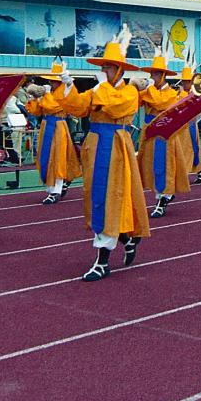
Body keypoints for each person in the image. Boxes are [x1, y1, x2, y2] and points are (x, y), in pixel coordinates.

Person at [57, 27, 151, 281]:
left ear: (119, 69)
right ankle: (127, 238)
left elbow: (116, 106)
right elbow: (78, 108)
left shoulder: (129, 91)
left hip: (115, 145)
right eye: (104, 67)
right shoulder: (100, 90)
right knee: (96, 196)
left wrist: (98, 93)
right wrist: (68, 87)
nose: (105, 71)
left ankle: (102, 261)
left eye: (109, 67)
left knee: (111, 196)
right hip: (96, 145)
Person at [133, 52, 186, 218]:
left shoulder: (171, 93)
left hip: (164, 131)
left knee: (163, 163)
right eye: (152, 73)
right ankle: (164, 194)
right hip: (149, 131)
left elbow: (160, 102)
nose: (152, 77)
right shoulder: (150, 91)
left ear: (163, 75)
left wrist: (147, 88)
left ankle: (162, 198)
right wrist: (132, 87)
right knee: (149, 163)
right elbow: (135, 100)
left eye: (156, 73)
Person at [24, 62, 81, 204]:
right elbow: (36, 111)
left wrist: (46, 94)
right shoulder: (48, 94)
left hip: (58, 126)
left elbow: (53, 106)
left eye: (54, 81)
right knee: (45, 156)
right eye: (50, 80)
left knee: (58, 158)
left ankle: (56, 190)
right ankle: (55, 186)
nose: (51, 83)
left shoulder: (63, 93)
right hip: (46, 126)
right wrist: (34, 98)